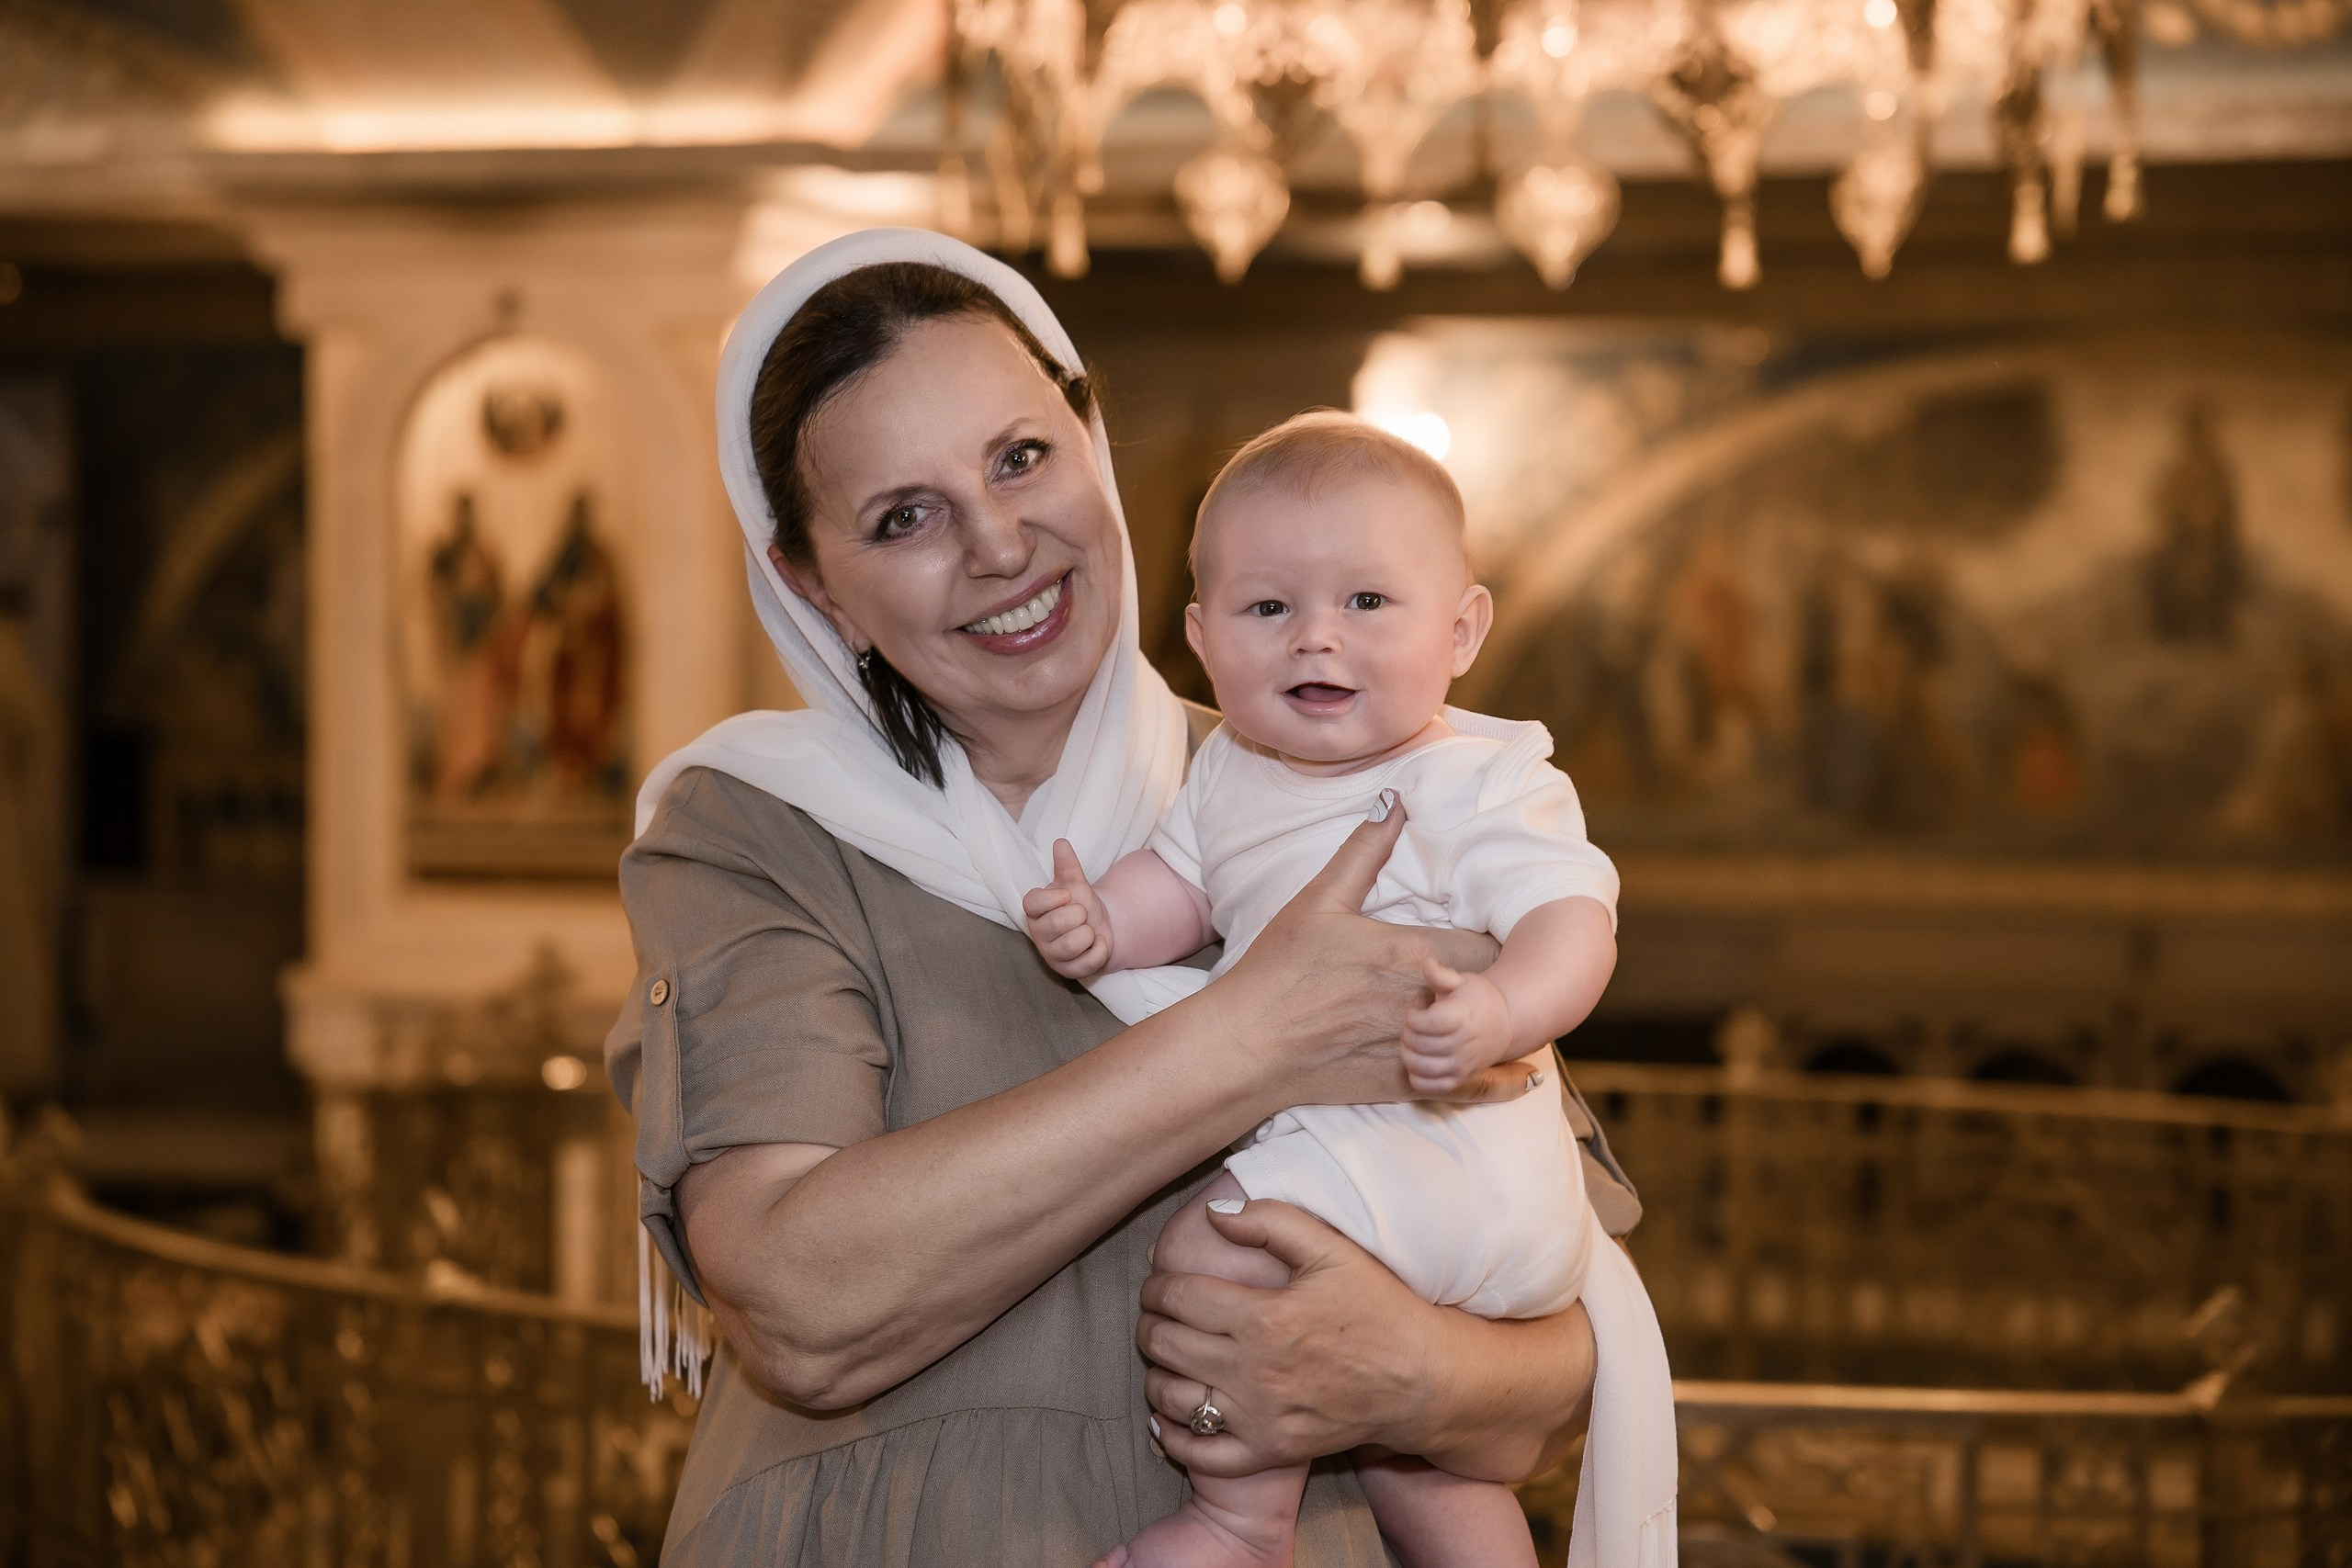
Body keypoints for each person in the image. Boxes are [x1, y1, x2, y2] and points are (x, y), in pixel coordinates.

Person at [605, 228, 1651, 1566]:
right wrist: (1252, 1033)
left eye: (1021, 456)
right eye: (903, 517)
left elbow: (1556, 1332)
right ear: (817, 585)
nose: (998, 544)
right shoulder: (759, 828)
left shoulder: (1333, 780)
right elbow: (803, 1304)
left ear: (1090, 446)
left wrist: (1412, 1377)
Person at [1023, 414, 1673, 1568]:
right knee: (1416, 1462)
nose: (1317, 640)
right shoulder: (1227, 768)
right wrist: (1105, 923)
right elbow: (1184, 885)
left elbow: (1575, 921)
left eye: (1368, 604)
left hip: (1453, 1159)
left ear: (1462, 629)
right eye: (1269, 609)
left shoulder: (1474, 779)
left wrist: (1502, 1011)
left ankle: (1237, 1524)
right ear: (1200, 636)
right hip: (1386, 1176)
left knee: (1220, 1245)